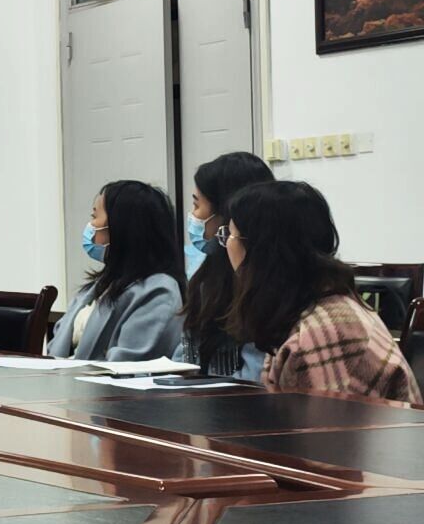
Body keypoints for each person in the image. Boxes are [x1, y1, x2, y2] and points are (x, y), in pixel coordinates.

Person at [224, 181, 420, 402]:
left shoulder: (322, 335)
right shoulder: (312, 304)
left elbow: (321, 423)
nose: (226, 245)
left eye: (230, 235)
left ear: (261, 250)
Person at [48, 180, 185, 361]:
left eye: (95, 217)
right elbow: (56, 344)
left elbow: (129, 362)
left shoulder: (159, 291)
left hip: (101, 380)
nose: (90, 226)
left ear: (121, 226)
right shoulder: (102, 284)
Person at [176, 151, 274, 380]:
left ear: (226, 213)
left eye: (197, 205)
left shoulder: (263, 284)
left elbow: (255, 378)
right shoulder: (207, 276)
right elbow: (182, 358)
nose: (192, 216)